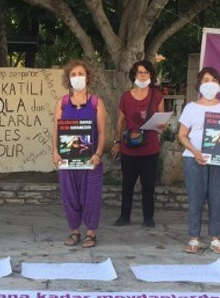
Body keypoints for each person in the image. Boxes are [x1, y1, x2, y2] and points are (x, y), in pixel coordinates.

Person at [177, 67, 220, 254]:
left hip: (219, 161)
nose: (210, 84)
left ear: (219, 84)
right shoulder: (191, 108)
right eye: (206, 80)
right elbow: (182, 135)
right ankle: (193, 238)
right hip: (193, 159)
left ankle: (215, 239)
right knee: (195, 198)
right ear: (199, 84)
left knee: (217, 199)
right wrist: (195, 152)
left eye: (214, 80)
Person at [52, 60, 107, 248]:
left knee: (91, 195)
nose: (77, 78)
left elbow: (102, 132)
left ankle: (91, 232)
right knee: (69, 195)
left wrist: (98, 154)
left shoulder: (96, 102)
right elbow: (56, 130)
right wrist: (55, 152)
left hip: (90, 158)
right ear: (68, 78)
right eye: (73, 74)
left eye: (81, 74)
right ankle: (74, 230)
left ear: (87, 77)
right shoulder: (62, 102)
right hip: (67, 159)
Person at [110, 60, 166, 228]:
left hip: (150, 148)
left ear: (151, 75)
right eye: (139, 72)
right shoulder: (126, 97)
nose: (142, 75)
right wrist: (117, 142)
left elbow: (162, 120)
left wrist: (161, 125)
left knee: (148, 186)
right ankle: (124, 216)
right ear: (134, 75)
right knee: (127, 185)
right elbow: (120, 122)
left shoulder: (157, 96)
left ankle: (148, 218)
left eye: (146, 72)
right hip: (129, 148)